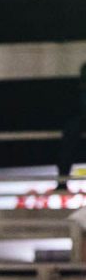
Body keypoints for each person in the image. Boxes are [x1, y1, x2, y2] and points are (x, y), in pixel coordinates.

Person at [56, 62, 86, 191]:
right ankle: (62, 180)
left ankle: (63, 180)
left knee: (71, 130)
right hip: (82, 118)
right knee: (70, 132)